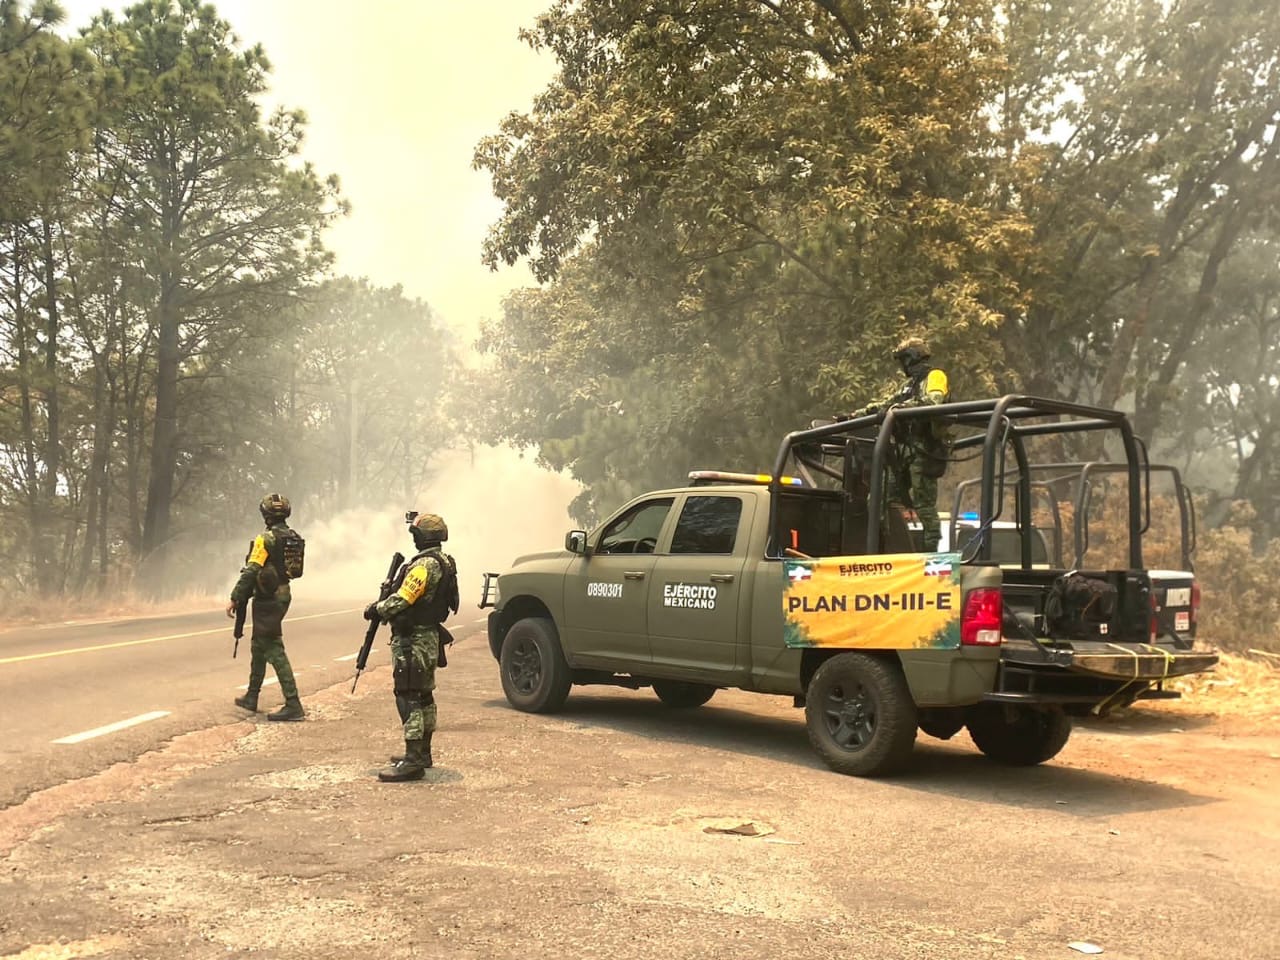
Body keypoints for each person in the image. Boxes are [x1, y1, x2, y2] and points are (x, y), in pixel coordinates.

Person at [364, 511, 459, 782]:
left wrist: (376, 609)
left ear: (423, 536)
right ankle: (423, 752)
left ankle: (413, 760)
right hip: (428, 637)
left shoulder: (423, 566)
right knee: (425, 694)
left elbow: (403, 599)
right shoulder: (444, 561)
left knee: (408, 695)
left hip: (413, 641)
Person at [852, 335, 952, 552]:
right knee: (878, 498)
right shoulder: (910, 385)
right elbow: (887, 403)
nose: (902, 365)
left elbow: (934, 400)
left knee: (924, 506)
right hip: (903, 452)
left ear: (912, 357)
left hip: (924, 450)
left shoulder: (935, 376)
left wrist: (899, 409)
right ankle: (882, 549)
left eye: (903, 359)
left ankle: (930, 556)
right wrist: (856, 415)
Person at [226, 493, 306, 721]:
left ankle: (293, 704)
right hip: (282, 593)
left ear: (265, 514)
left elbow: (251, 569)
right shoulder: (292, 537)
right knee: (259, 645)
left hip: (267, 598)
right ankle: (252, 696)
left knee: (273, 648)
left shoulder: (266, 539)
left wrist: (235, 596)